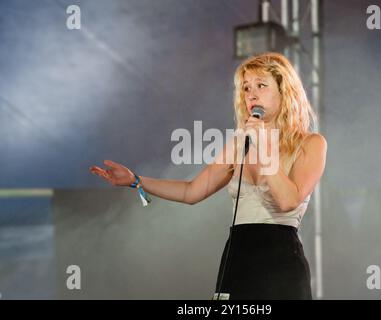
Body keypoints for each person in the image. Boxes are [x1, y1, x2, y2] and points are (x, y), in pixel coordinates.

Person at [89, 52, 327, 300]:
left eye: (261, 85)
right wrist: (136, 180)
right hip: (238, 260)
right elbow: (191, 192)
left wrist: (263, 146)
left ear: (284, 91)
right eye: (246, 88)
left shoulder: (311, 144)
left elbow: (288, 200)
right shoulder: (238, 145)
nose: (251, 94)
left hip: (282, 262)